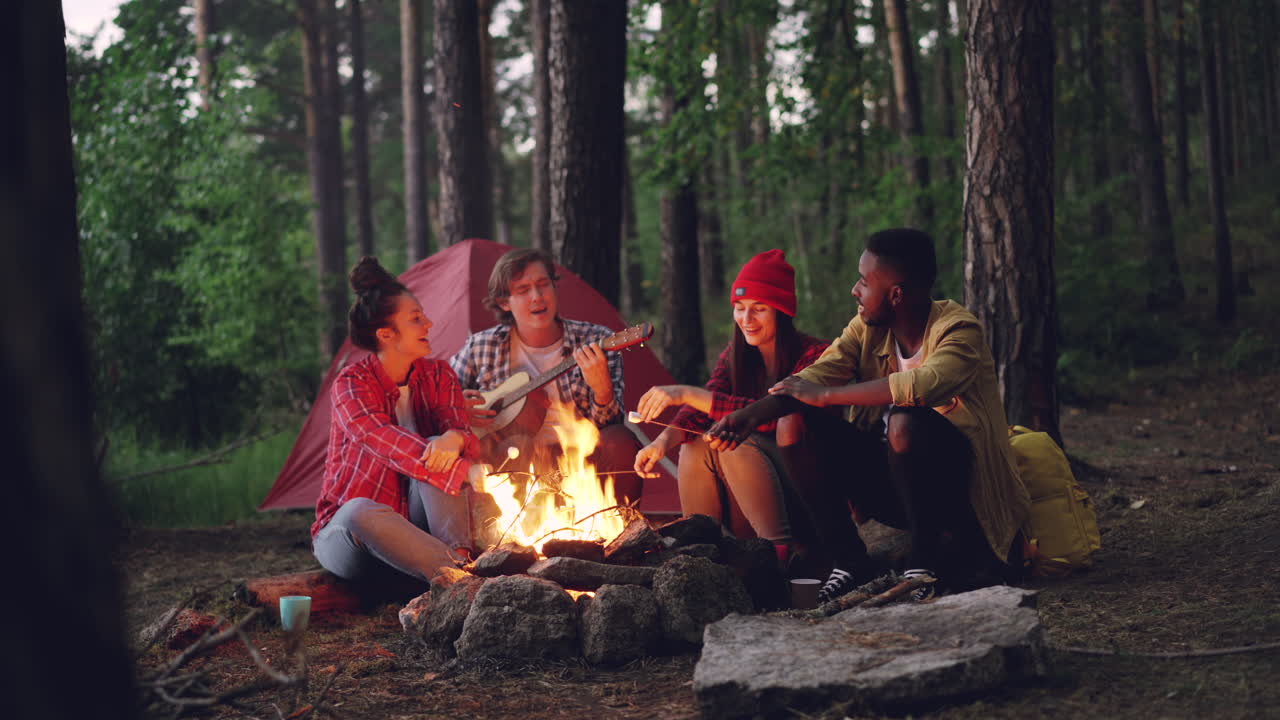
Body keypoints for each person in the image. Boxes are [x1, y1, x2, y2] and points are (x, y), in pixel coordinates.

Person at [705, 228, 1030, 602]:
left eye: (863, 281)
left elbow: (920, 385)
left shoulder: (959, 329)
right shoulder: (866, 329)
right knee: (793, 422)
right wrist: (747, 417)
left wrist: (827, 396)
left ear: (895, 294)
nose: (854, 291)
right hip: (894, 488)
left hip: (960, 493)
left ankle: (922, 565)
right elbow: (812, 377)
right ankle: (847, 560)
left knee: (906, 421)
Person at [632, 250, 827, 565]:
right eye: (740, 308)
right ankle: (700, 553)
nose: (746, 320)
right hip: (746, 500)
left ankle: (780, 559)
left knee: (733, 439)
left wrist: (683, 392)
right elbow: (705, 406)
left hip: (807, 500)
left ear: (781, 310)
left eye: (759, 309)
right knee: (696, 443)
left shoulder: (817, 354)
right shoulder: (736, 355)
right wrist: (661, 443)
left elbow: (769, 417)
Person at [312, 257, 482, 584]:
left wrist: (456, 439)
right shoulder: (352, 384)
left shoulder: (439, 374)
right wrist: (466, 470)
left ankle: (457, 563)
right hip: (353, 537)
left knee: (439, 445)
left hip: (418, 534)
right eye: (416, 319)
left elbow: (467, 440)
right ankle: (468, 578)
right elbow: (380, 438)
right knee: (358, 510)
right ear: (387, 334)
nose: (429, 324)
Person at [450, 248, 643, 504]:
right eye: (523, 290)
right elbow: (439, 394)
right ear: (504, 302)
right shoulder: (481, 347)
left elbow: (610, 424)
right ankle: (517, 536)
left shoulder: (594, 340)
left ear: (554, 288)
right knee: (518, 444)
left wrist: (603, 390)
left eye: (543, 285)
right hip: (519, 461)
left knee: (621, 440)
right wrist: (458, 407)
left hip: (582, 458)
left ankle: (624, 531)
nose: (537, 297)